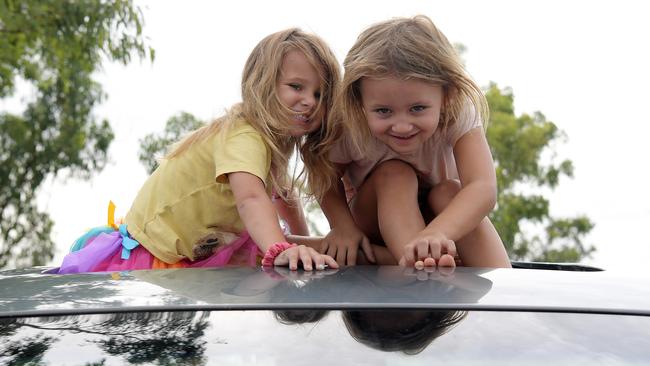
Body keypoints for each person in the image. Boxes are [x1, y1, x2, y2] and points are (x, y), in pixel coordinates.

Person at [54, 28, 341, 274]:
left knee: (317, 248)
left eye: (319, 94)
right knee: (276, 253)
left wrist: (297, 242)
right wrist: (283, 248)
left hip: (203, 251)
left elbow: (284, 191)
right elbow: (251, 198)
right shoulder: (244, 135)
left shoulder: (270, 146)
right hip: (158, 261)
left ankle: (380, 253)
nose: (310, 101)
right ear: (262, 85)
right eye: (296, 87)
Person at [317, 15, 511, 269]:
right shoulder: (349, 122)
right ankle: (422, 269)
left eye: (418, 108)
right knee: (396, 173)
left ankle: (504, 288)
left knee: (449, 192)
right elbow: (325, 181)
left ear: (447, 94)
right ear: (359, 101)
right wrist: (342, 227)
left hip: (439, 225)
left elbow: (483, 187)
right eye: (384, 111)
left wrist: (437, 233)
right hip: (373, 218)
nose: (402, 126)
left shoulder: (458, 110)